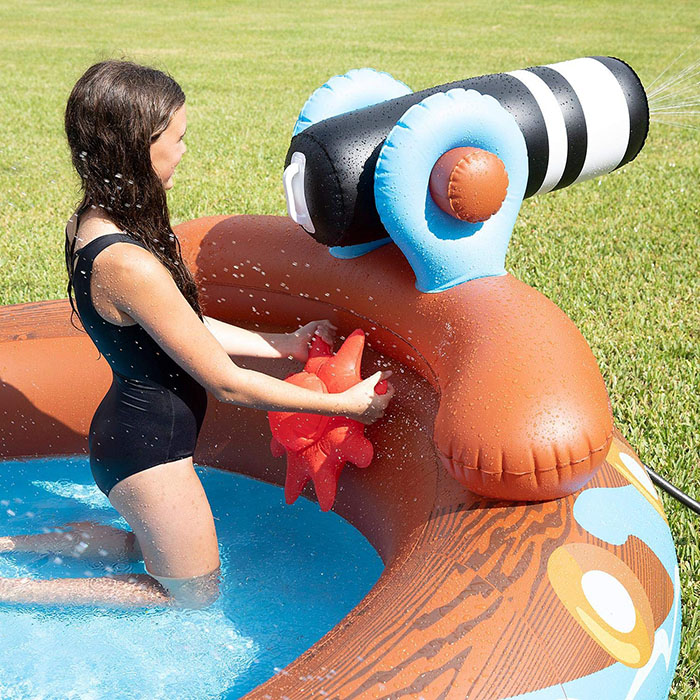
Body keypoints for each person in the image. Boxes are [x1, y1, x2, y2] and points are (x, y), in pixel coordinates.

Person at [0, 60, 394, 610]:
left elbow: (180, 324)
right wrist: (344, 406)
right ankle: (12, 589)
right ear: (137, 146)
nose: (184, 151)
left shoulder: (92, 220)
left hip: (132, 435)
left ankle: (12, 545)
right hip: (150, 456)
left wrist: (281, 345)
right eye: (177, 137)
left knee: (143, 548)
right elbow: (227, 383)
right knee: (188, 594)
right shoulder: (126, 263)